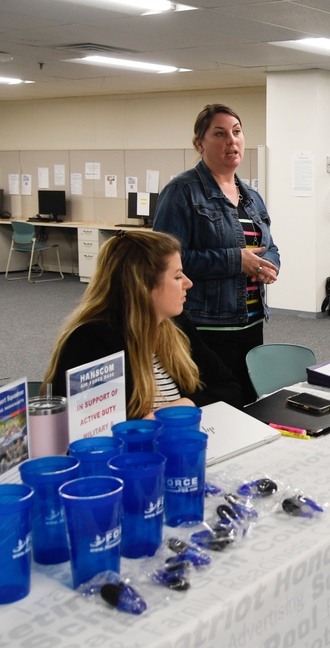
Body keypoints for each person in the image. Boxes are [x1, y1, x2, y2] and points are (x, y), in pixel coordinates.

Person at [151, 104, 280, 404]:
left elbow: (269, 246)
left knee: (248, 404)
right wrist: (237, 261)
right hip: (206, 326)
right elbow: (165, 262)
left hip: (250, 322)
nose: (231, 141)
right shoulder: (182, 191)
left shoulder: (251, 196)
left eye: (236, 132)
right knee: (215, 407)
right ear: (200, 144)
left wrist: (269, 264)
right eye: (220, 134)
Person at [44, 231, 244, 417]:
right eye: (177, 276)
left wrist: (185, 404)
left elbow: (230, 388)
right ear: (143, 285)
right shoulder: (92, 341)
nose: (188, 283)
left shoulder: (176, 326)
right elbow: (88, 430)